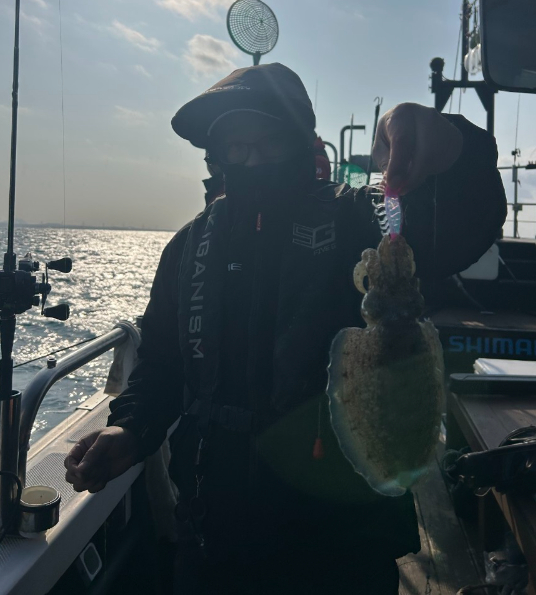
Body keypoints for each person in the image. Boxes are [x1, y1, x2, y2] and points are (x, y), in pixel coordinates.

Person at [64, 63, 507, 595]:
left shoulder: (360, 218)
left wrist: (451, 147)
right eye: (236, 146)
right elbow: (161, 361)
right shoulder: (187, 248)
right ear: (216, 155)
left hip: (342, 546)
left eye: (269, 142)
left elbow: (456, 224)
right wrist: (131, 428)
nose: (252, 160)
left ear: (301, 143)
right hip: (212, 536)